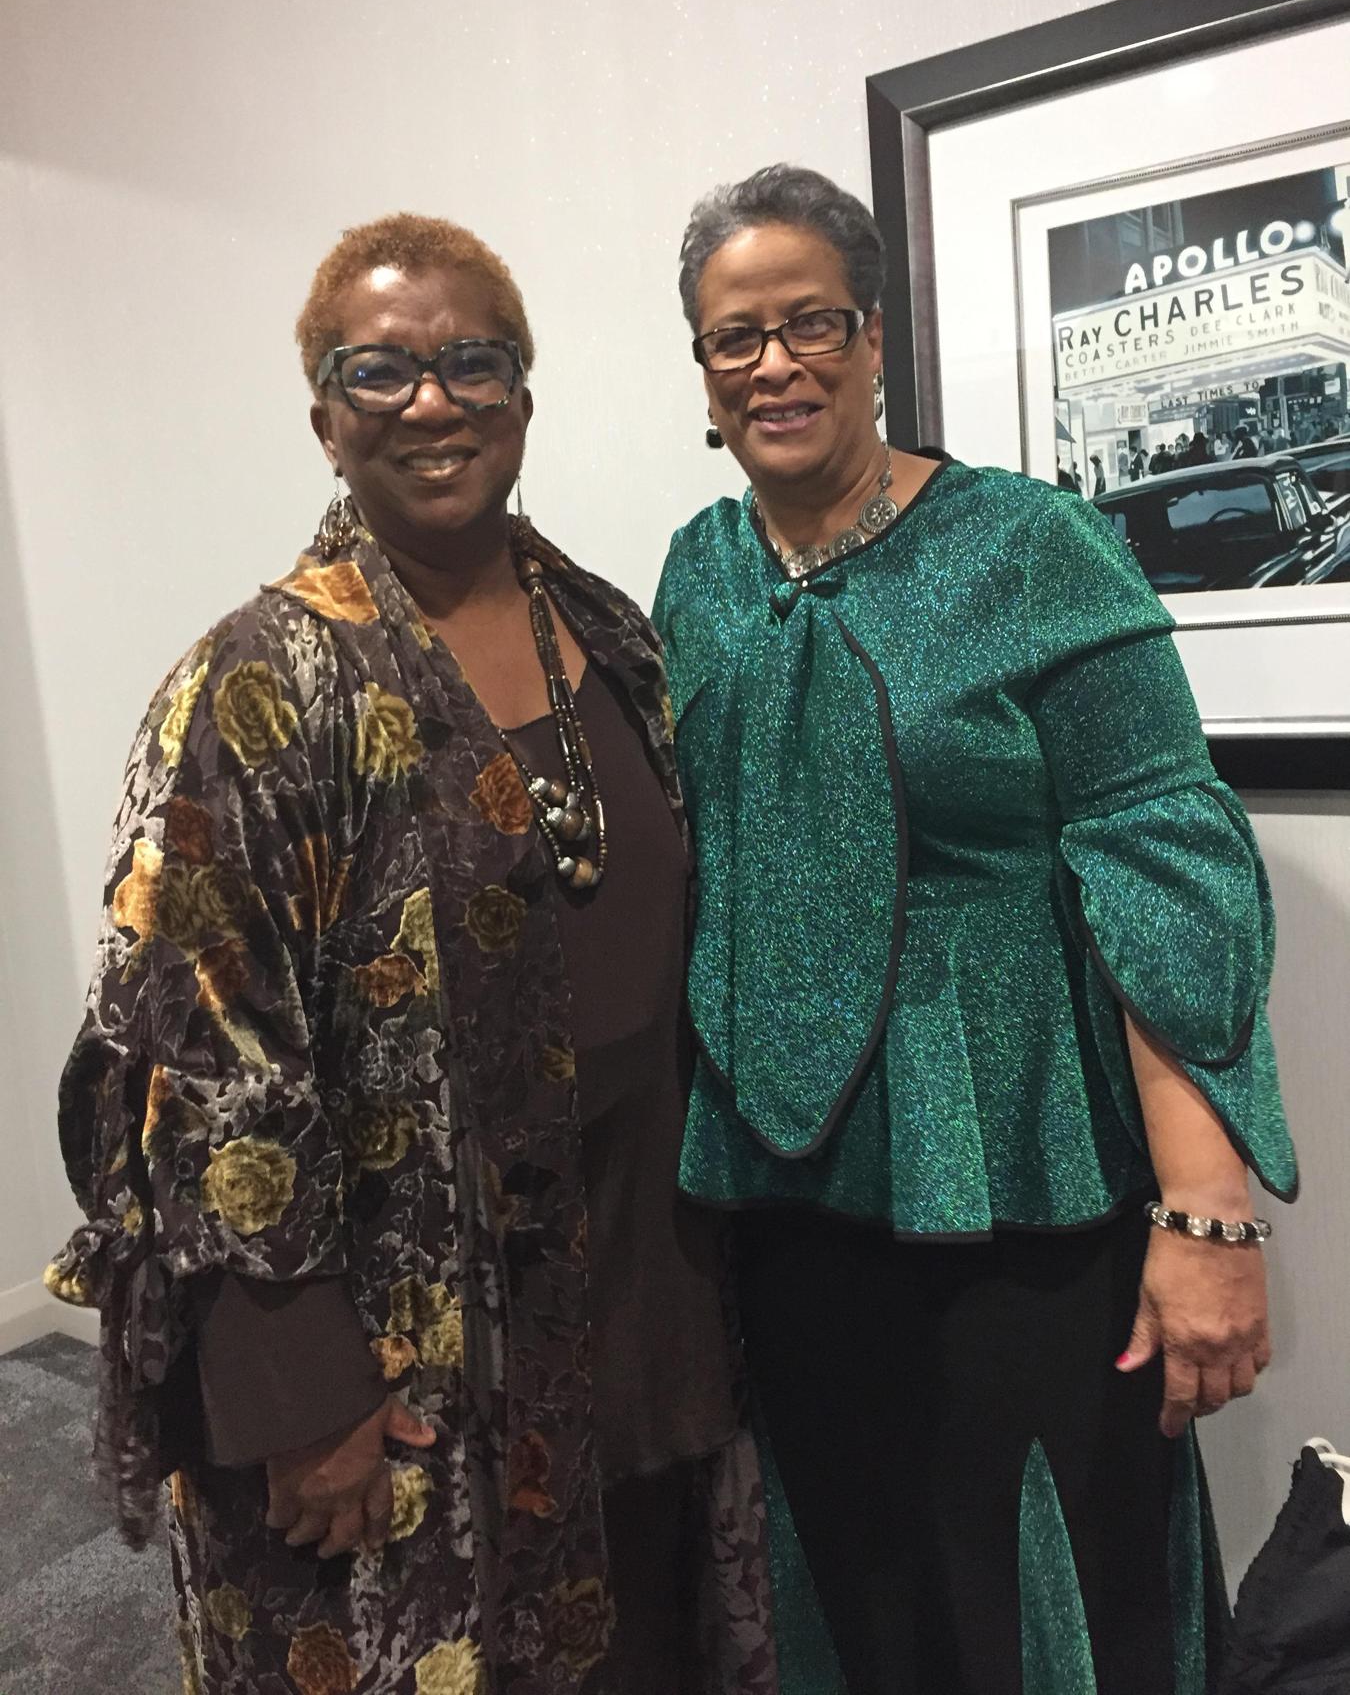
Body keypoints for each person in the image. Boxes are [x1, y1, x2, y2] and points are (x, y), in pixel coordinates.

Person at [46, 213, 778, 1695]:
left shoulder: (609, 633)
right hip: (401, 1354)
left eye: (471, 363)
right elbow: (191, 1063)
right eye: (377, 371)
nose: (431, 401)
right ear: (323, 416)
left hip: (638, 1300)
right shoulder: (257, 685)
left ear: (523, 393)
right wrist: (297, 1390)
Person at [654, 164, 1297, 1695]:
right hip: (786, 1193)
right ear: (702, 368)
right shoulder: (697, 569)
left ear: (873, 337)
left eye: (809, 323)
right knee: (858, 1580)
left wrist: (1205, 1213)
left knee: (1048, 1579)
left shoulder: (1028, 545)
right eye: (734, 336)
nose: (772, 364)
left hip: (1019, 1178)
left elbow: (1164, 863)